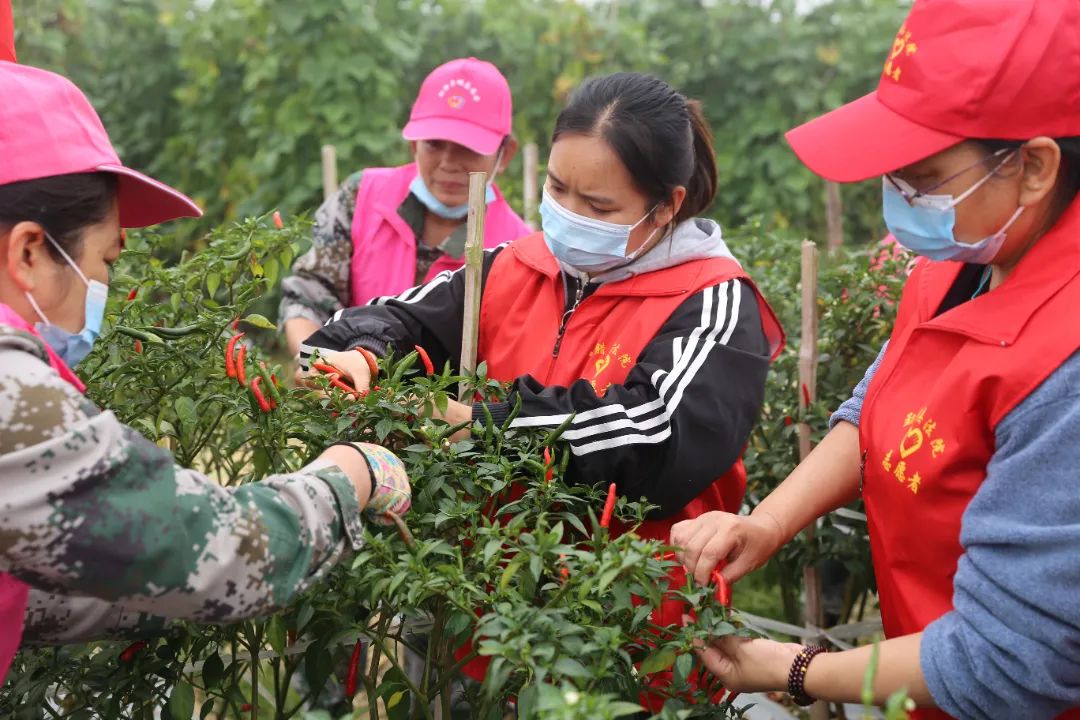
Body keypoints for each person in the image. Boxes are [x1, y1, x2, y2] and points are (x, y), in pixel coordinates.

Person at [301, 72, 784, 696]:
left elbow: (656, 433)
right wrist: (363, 354)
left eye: (600, 207)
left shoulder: (714, 303)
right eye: (558, 189)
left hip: (620, 637)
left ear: (665, 206)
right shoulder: (514, 266)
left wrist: (478, 423)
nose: (570, 217)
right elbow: (386, 320)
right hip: (475, 614)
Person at [670, 1, 1080, 718]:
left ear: (1036, 165)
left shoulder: (1065, 367)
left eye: (921, 174)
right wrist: (765, 524)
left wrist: (799, 670)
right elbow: (881, 405)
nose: (896, 196)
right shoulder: (962, 261)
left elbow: (1010, 658)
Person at [0, 62, 411, 683]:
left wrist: (155, 594)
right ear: (30, 252)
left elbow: (33, 581)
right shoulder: (11, 394)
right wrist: (349, 473)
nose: (105, 285)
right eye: (106, 259)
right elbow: (238, 552)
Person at [280, 57, 532, 359]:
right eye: (434, 144)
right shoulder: (361, 196)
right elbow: (308, 294)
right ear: (414, 145)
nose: (449, 163)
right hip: (341, 393)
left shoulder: (518, 251)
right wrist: (316, 363)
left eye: (469, 148)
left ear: (504, 155)